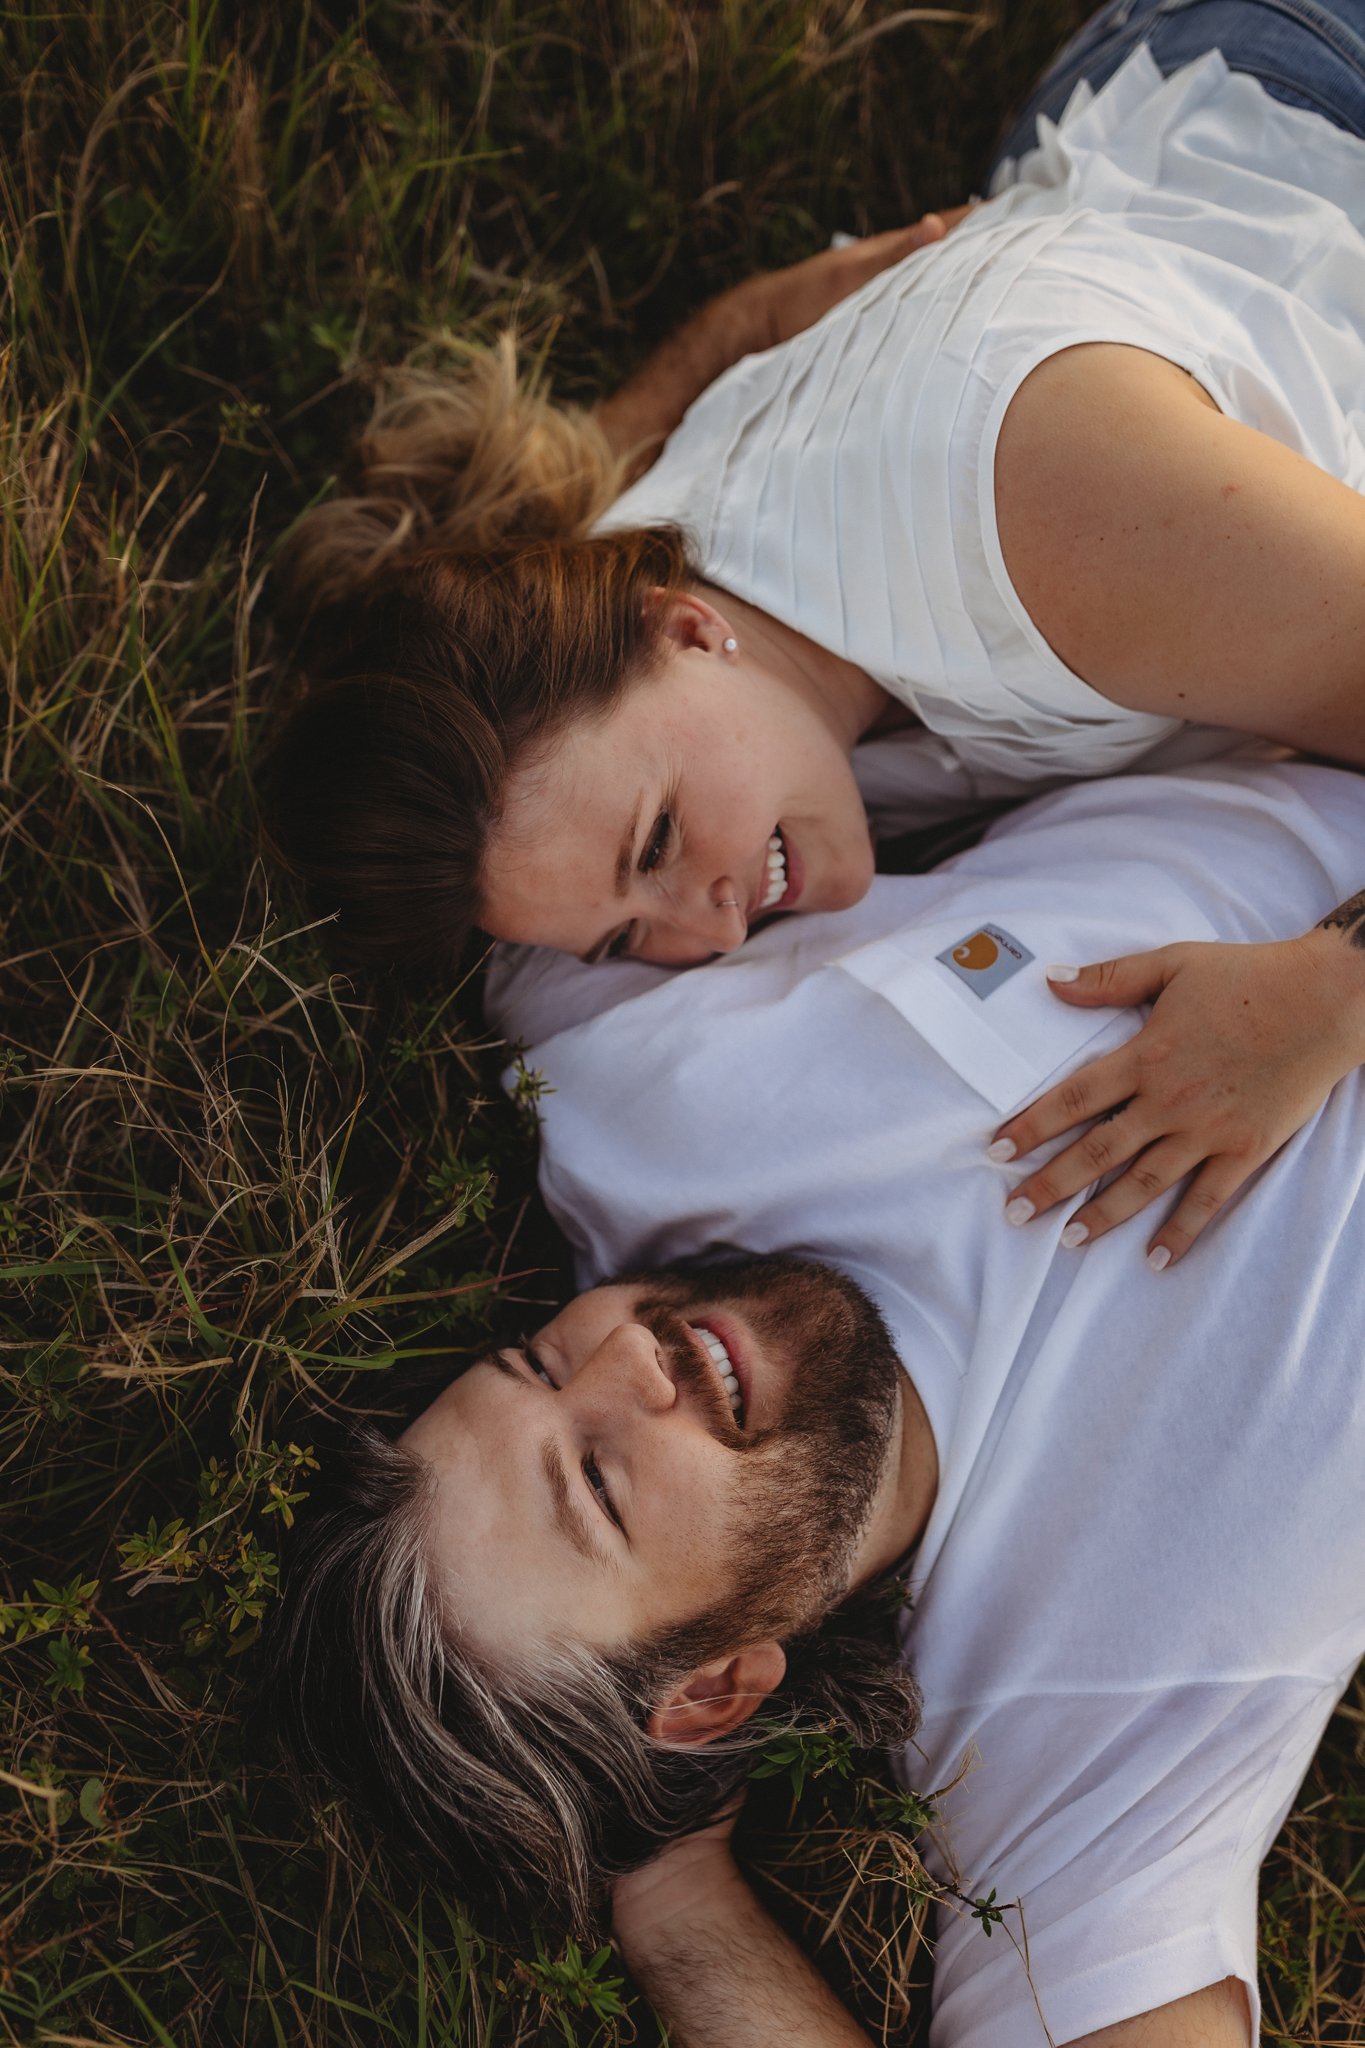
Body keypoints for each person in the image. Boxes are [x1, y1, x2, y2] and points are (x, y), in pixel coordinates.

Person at [266, 753, 1365, 2046]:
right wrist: (678, 1906)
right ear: (711, 1693)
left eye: (536, 1364)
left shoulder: (628, 1084)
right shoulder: (1058, 1733)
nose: (627, 1356)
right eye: (600, 1484)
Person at [261, 0, 1365, 1268]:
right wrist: (758, 323)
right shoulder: (643, 593)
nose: (712, 929)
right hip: (1125, 129)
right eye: (626, 937)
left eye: (658, 841)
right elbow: (730, 341)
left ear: (683, 627)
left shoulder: (1049, 521)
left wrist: (1331, 992)